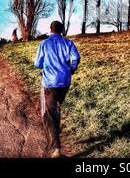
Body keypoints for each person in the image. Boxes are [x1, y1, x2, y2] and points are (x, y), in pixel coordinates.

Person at [34, 21, 80, 158]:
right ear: (62, 30)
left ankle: (55, 149)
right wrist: (71, 69)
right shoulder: (68, 42)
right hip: (65, 81)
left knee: (48, 113)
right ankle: (56, 136)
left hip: (49, 83)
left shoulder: (44, 43)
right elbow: (76, 57)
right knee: (56, 109)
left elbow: (37, 64)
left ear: (50, 29)